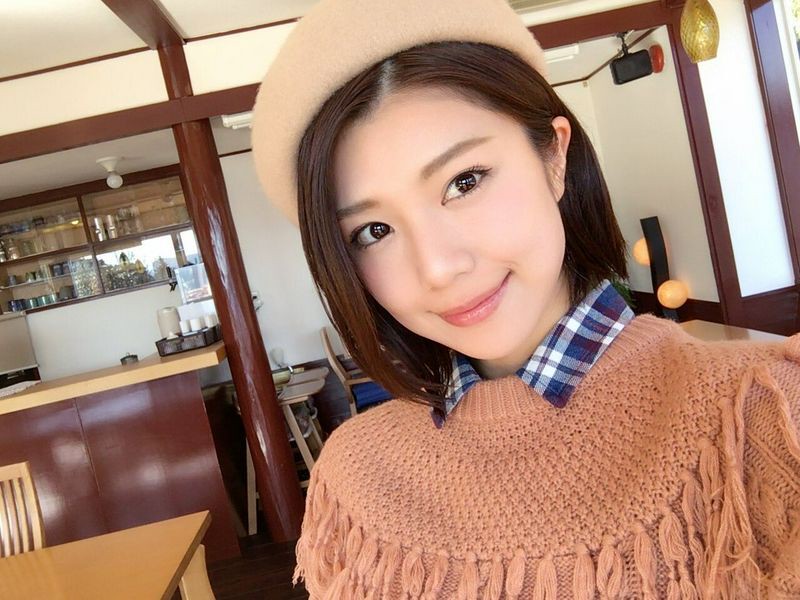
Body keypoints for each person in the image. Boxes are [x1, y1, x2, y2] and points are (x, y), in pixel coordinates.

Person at [251, 0, 800, 597]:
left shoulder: (763, 413)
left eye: (464, 182)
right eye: (373, 231)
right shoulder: (354, 477)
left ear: (554, 156)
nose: (438, 268)